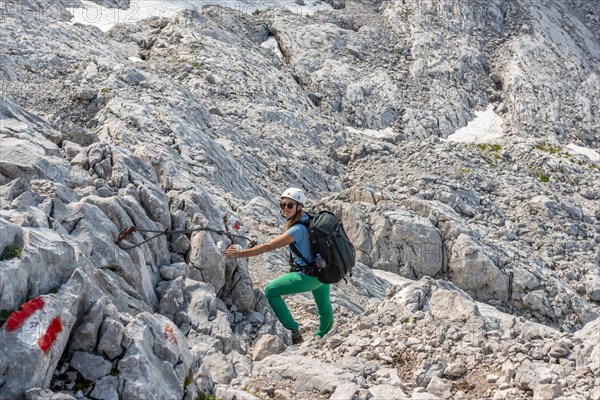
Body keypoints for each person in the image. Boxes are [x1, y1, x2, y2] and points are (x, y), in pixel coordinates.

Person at [225, 188, 333, 344]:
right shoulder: (309, 219)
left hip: (309, 275)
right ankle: (325, 335)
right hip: (324, 272)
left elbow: (269, 246)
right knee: (324, 304)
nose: (285, 209)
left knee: (270, 291)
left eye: (290, 205)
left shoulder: (297, 229)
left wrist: (241, 253)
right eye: (283, 205)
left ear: (299, 206)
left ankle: (293, 331)